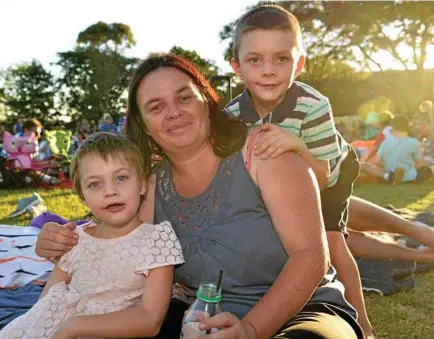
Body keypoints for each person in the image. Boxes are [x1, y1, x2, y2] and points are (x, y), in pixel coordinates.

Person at [35, 53, 363, 339]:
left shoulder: (263, 152)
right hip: (199, 319)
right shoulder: (148, 186)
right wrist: (62, 242)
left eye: (184, 98)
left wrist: (250, 330)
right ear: (145, 125)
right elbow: (115, 243)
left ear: (206, 100)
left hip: (305, 311)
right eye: (156, 106)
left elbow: (311, 256)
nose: (174, 112)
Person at [224, 4, 371, 337]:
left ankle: (362, 322)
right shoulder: (231, 116)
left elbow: (321, 177)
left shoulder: (313, 105)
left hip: (329, 169)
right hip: (286, 180)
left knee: (331, 242)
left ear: (299, 63)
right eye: (254, 60)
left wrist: (297, 145)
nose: (268, 71)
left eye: (281, 58)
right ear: (237, 67)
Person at [0, 132, 184, 339]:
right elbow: (45, 303)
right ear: (83, 198)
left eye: (121, 178)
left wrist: (75, 327)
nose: (110, 191)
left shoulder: (157, 239)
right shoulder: (75, 238)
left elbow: (150, 320)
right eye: (95, 184)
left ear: (143, 185)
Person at [360, 115, 434, 185]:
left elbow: (378, 161)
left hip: (392, 171)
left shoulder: (386, 141)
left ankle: (386, 176)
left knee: (364, 166)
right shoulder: (415, 142)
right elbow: (418, 162)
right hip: (412, 172)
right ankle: (403, 175)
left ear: (393, 127)